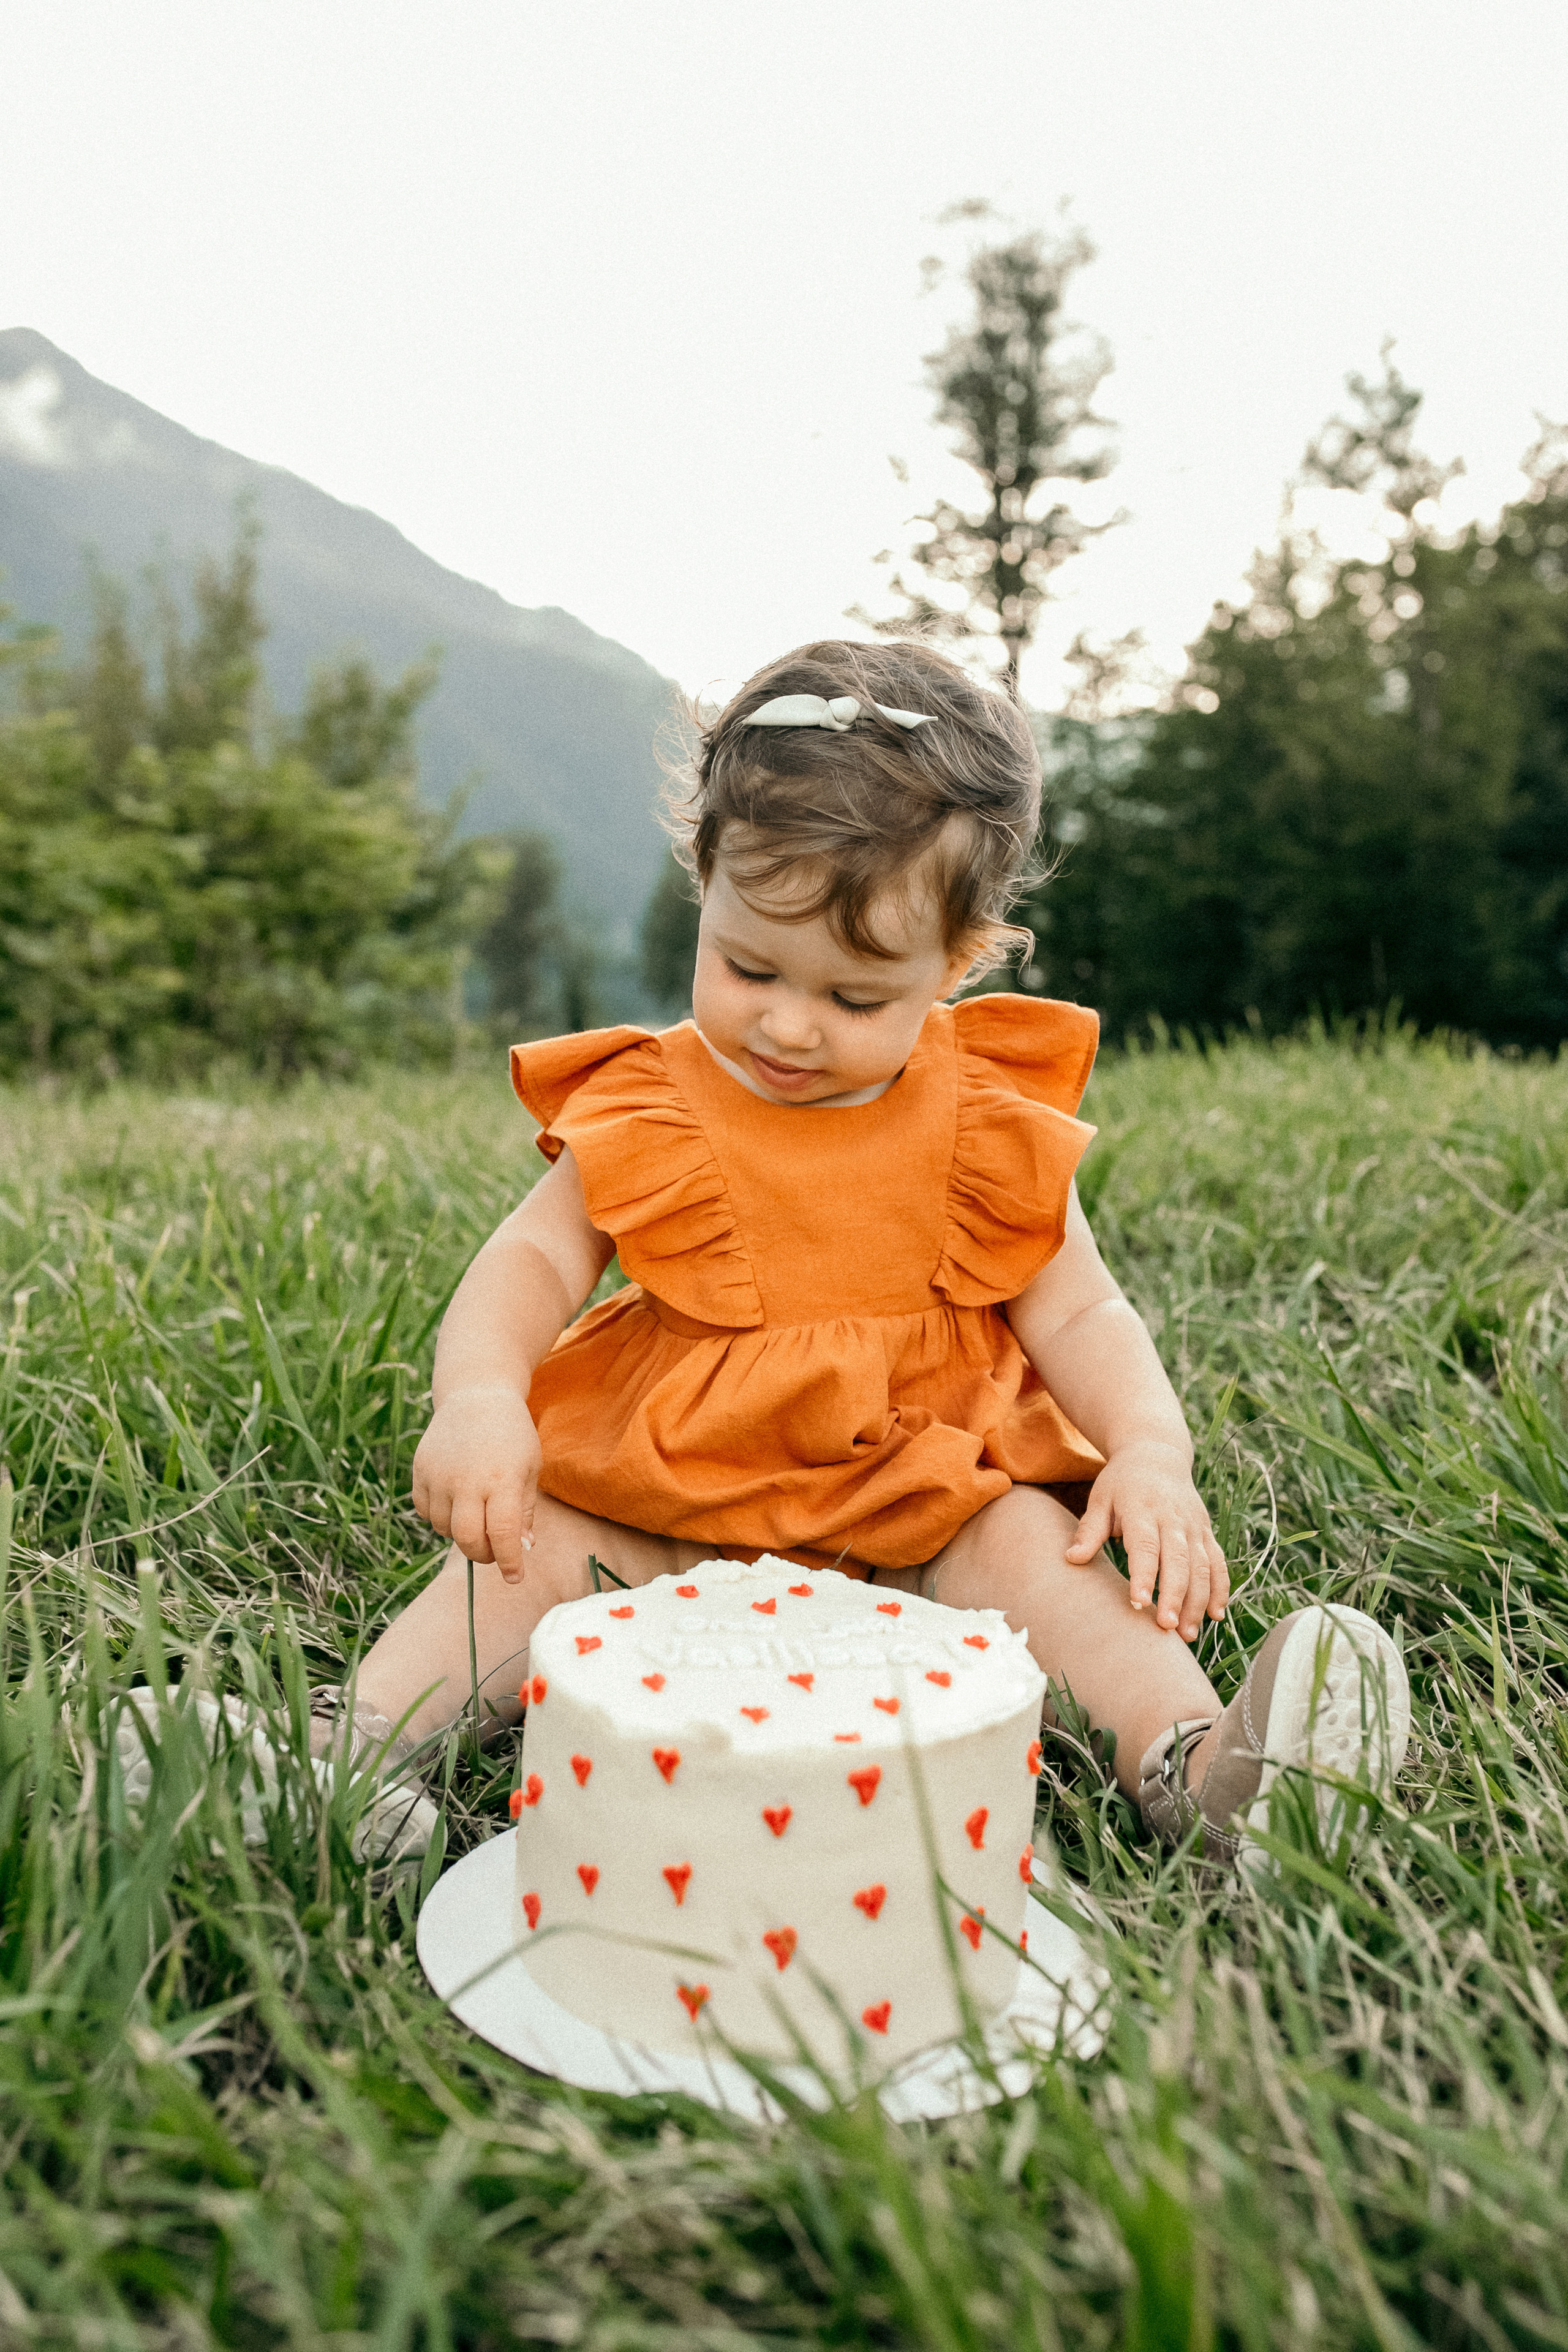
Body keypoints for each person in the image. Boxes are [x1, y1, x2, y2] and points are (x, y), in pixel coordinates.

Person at [339, 639, 1409, 1866]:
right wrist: (480, 1398)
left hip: (923, 1512)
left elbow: (1080, 1310)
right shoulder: (656, 1100)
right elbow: (531, 1262)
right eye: (748, 967)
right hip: (673, 1504)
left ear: (955, 962)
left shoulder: (982, 1115)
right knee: (527, 1555)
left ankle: (1201, 1771)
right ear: (704, 880)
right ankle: (350, 1747)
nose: (789, 1026)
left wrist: (1149, 1449)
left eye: (855, 999)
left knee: (1045, 1560)